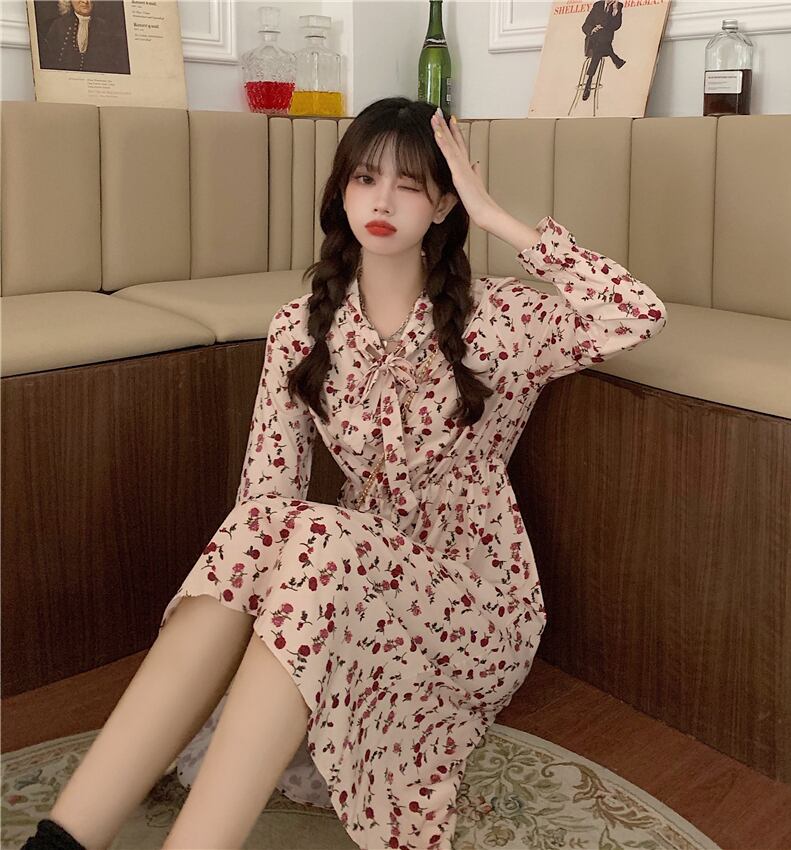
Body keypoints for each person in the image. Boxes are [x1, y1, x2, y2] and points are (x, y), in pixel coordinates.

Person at [21, 96, 668, 850]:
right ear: (342, 192)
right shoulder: (300, 328)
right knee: (272, 524)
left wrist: (495, 216)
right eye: (365, 179)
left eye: (410, 185)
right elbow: (264, 500)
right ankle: (59, 843)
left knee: (322, 539)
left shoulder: (503, 320)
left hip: (472, 608)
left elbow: (636, 313)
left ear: (444, 203)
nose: (383, 201)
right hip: (340, 580)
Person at [581, 0, 627, 101]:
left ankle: (588, 82)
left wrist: (615, 11)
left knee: (600, 47)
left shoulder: (618, 6)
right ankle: (616, 59)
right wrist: (593, 29)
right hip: (593, 41)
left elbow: (616, 26)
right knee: (600, 46)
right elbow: (585, 25)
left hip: (605, 39)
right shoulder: (597, 5)